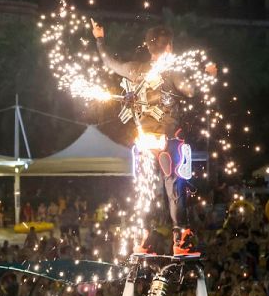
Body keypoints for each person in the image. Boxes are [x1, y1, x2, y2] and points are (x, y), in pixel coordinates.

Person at [91, 19, 216, 256]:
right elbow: (191, 90)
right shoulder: (171, 71)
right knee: (175, 188)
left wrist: (100, 40)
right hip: (168, 141)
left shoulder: (136, 70)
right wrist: (205, 74)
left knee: (146, 190)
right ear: (169, 47)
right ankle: (180, 239)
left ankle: (143, 239)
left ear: (148, 48)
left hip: (144, 142)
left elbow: (109, 61)